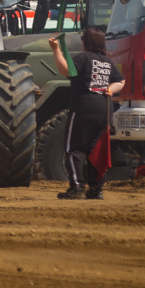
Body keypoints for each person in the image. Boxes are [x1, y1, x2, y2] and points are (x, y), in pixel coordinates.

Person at [50, 26, 123, 200]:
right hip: (104, 109)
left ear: (86, 42)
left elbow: (67, 71)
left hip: (84, 108)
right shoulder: (107, 61)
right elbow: (121, 80)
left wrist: (56, 50)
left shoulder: (83, 58)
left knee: (74, 148)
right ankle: (96, 189)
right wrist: (110, 89)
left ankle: (77, 188)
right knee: (96, 149)